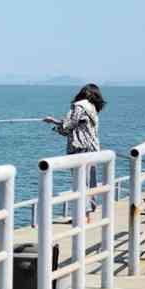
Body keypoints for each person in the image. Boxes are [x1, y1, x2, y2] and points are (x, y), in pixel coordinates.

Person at [43, 84, 106, 221]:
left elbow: (69, 125)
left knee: (80, 182)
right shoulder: (93, 108)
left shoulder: (78, 106)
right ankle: (87, 214)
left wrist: (54, 124)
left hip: (79, 148)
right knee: (90, 182)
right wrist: (56, 122)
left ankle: (83, 215)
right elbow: (77, 125)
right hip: (93, 149)